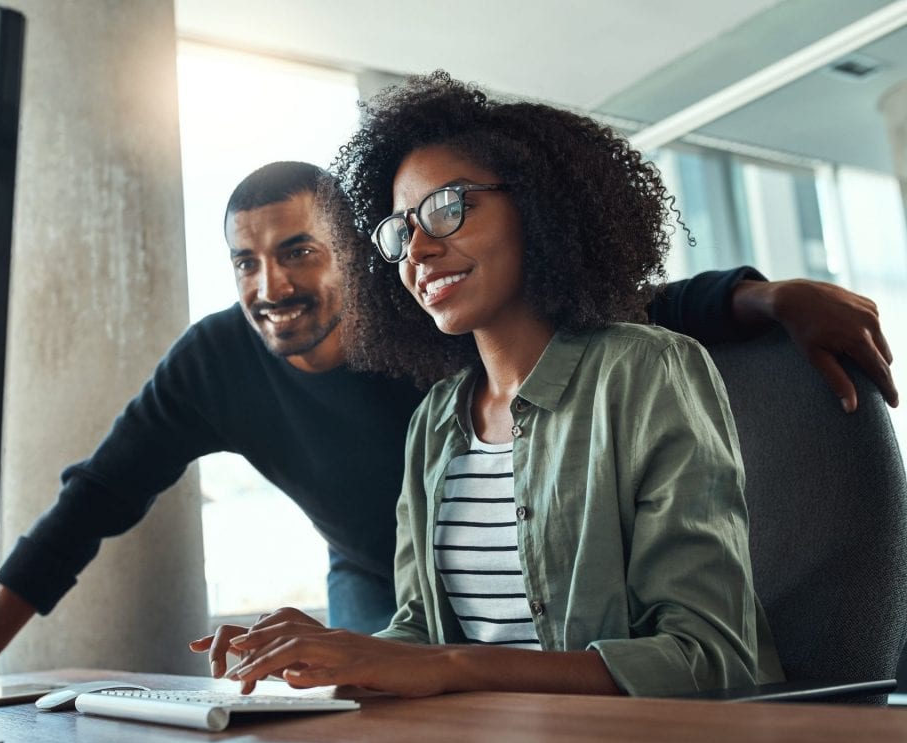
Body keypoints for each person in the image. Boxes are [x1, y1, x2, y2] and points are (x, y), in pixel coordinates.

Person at [0, 147, 892, 697]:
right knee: (367, 713)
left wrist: (763, 298)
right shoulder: (214, 361)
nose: (269, 285)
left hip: (544, 569)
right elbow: (92, 498)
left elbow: (614, 310)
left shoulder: (427, 303)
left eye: (299, 252)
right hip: (384, 573)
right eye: (244, 260)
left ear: (353, 258)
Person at [200, 72, 787, 698]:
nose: (418, 250)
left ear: (537, 205)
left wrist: (457, 666)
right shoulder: (434, 420)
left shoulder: (645, 371)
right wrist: (326, 651)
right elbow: (421, 638)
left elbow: (708, 660)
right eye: (400, 232)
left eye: (449, 207)